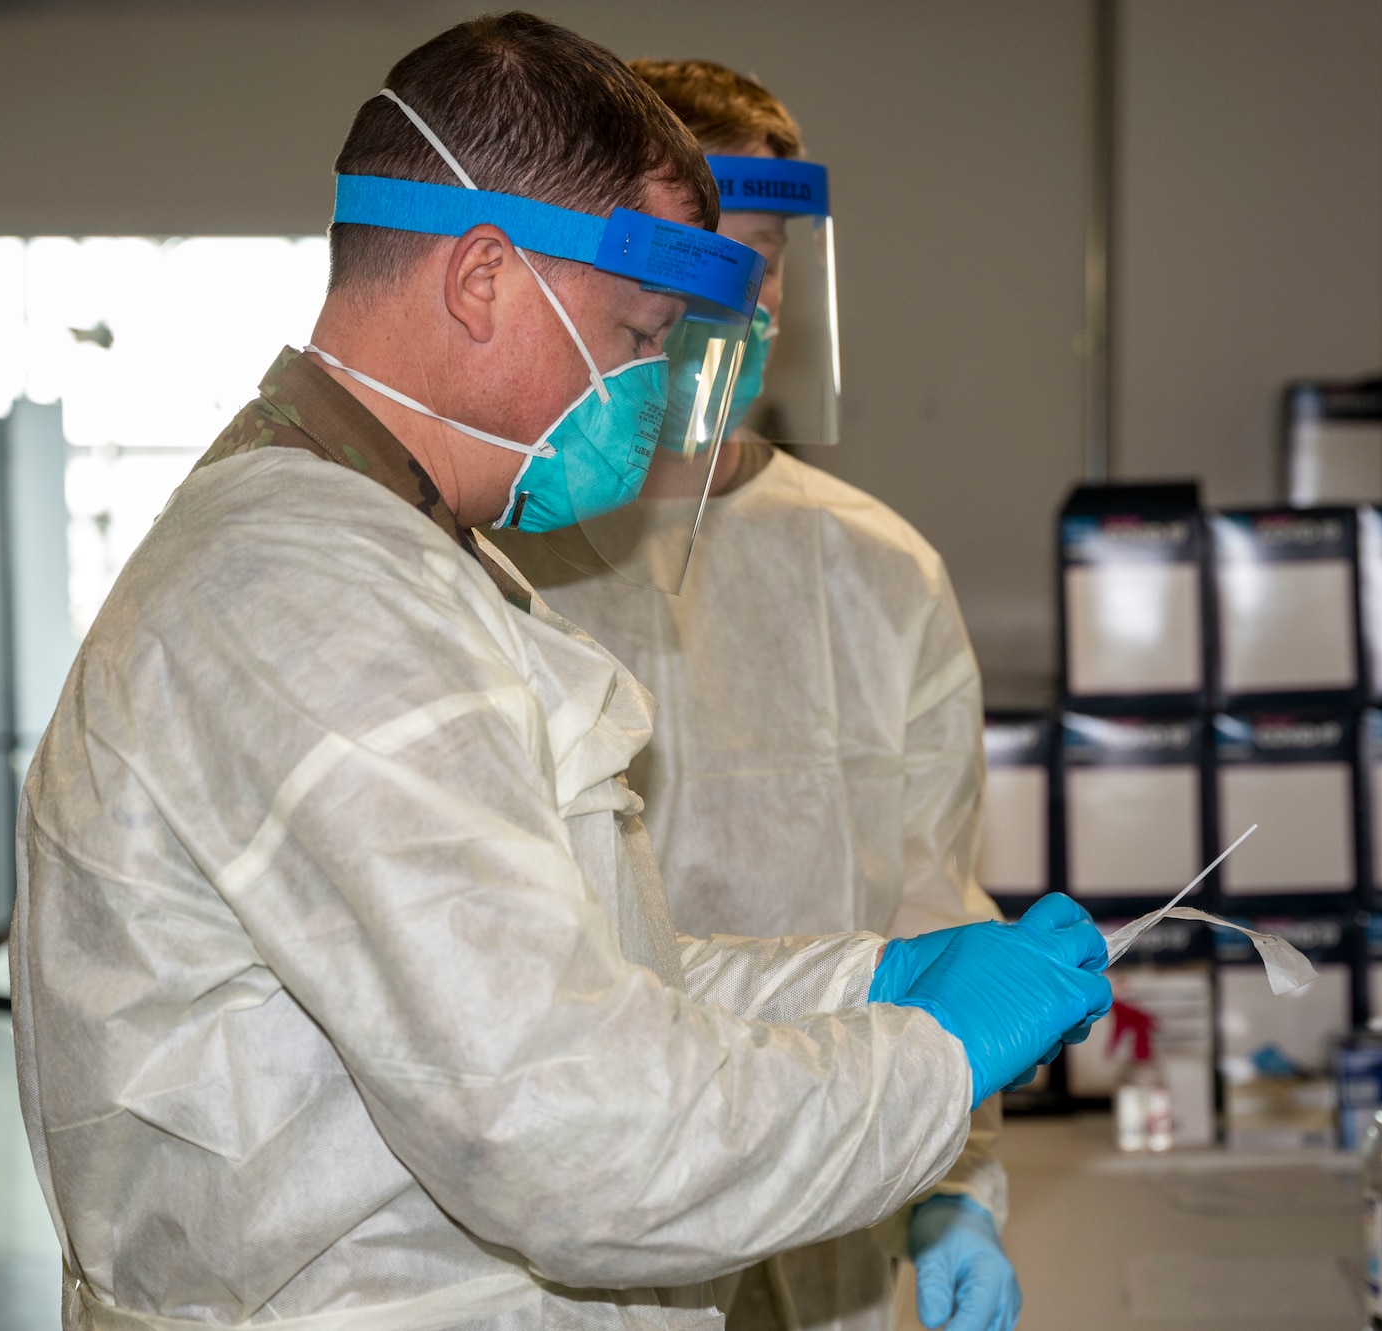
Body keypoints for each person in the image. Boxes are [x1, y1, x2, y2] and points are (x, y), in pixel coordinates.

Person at [10, 14, 1110, 1331]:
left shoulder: (395, 553)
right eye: (639, 333)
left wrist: (863, 980)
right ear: (483, 278)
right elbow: (577, 1129)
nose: (657, 389)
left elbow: (582, 979)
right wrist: (929, 1060)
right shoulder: (317, 598)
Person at [500, 60, 1018, 1331]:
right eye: (706, 254)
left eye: (769, 255)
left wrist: (953, 1179)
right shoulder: (513, 558)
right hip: (603, 1196)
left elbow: (928, 901)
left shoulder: (878, 566)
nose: (743, 293)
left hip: (844, 1172)